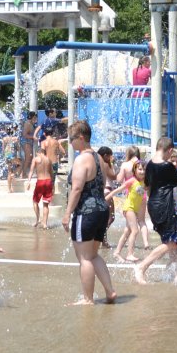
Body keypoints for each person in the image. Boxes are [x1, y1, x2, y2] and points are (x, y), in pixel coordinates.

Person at [61, 120, 117, 305]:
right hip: (101, 210)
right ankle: (110, 292)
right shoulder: (99, 158)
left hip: (86, 212)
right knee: (93, 255)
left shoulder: (81, 159)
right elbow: (102, 183)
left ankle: (88, 299)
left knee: (84, 258)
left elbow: (77, 189)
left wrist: (67, 214)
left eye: (72, 139)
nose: (70, 143)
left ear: (81, 138)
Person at [133, 137, 177, 284]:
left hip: (155, 206)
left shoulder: (150, 164)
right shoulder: (167, 166)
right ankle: (141, 267)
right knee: (171, 242)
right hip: (164, 208)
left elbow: (147, 186)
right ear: (170, 150)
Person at [109, 159, 147, 262]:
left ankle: (117, 252)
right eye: (140, 169)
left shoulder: (143, 182)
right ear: (135, 170)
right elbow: (119, 189)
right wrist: (108, 196)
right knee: (135, 230)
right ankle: (130, 254)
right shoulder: (132, 180)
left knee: (127, 231)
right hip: (128, 208)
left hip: (134, 209)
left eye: (144, 169)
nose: (142, 171)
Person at [29, 131, 58, 228]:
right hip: (49, 181)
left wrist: (29, 181)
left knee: (35, 202)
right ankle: (45, 223)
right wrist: (52, 186)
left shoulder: (36, 159)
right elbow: (52, 173)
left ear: (38, 152)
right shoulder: (49, 160)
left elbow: (31, 171)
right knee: (45, 204)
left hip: (40, 182)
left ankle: (37, 220)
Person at [19, 112, 37, 178]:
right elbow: (24, 134)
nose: (36, 119)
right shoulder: (28, 124)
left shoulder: (31, 123)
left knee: (29, 158)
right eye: (35, 117)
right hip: (26, 142)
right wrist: (33, 137)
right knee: (28, 158)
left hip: (28, 142)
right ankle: (23, 174)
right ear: (33, 117)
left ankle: (24, 173)